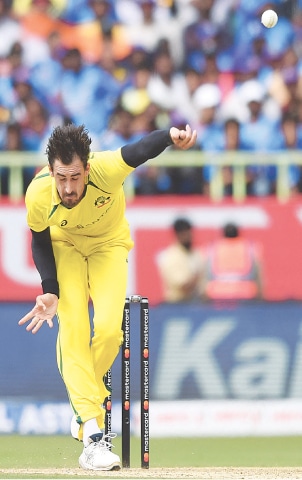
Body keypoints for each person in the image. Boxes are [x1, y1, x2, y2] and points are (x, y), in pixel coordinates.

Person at [18, 122, 197, 471]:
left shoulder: (105, 169)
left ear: (87, 167)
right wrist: (50, 291)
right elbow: (40, 241)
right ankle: (92, 433)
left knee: (111, 331)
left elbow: (141, 149)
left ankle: (83, 408)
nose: (68, 188)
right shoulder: (38, 193)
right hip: (65, 246)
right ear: (51, 171)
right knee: (74, 330)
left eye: (74, 177)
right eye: (60, 178)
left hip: (109, 246)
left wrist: (170, 137)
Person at [203, 222, 263, 301]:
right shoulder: (249, 247)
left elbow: (205, 275)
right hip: (246, 295)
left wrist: (204, 296)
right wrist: (261, 296)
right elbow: (259, 275)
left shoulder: (213, 247)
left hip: (218, 294)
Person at [156, 217, 205, 303]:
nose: (188, 236)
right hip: (177, 305)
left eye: (189, 232)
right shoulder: (171, 256)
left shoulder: (196, 253)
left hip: (197, 303)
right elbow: (183, 287)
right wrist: (196, 277)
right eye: (184, 233)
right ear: (178, 234)